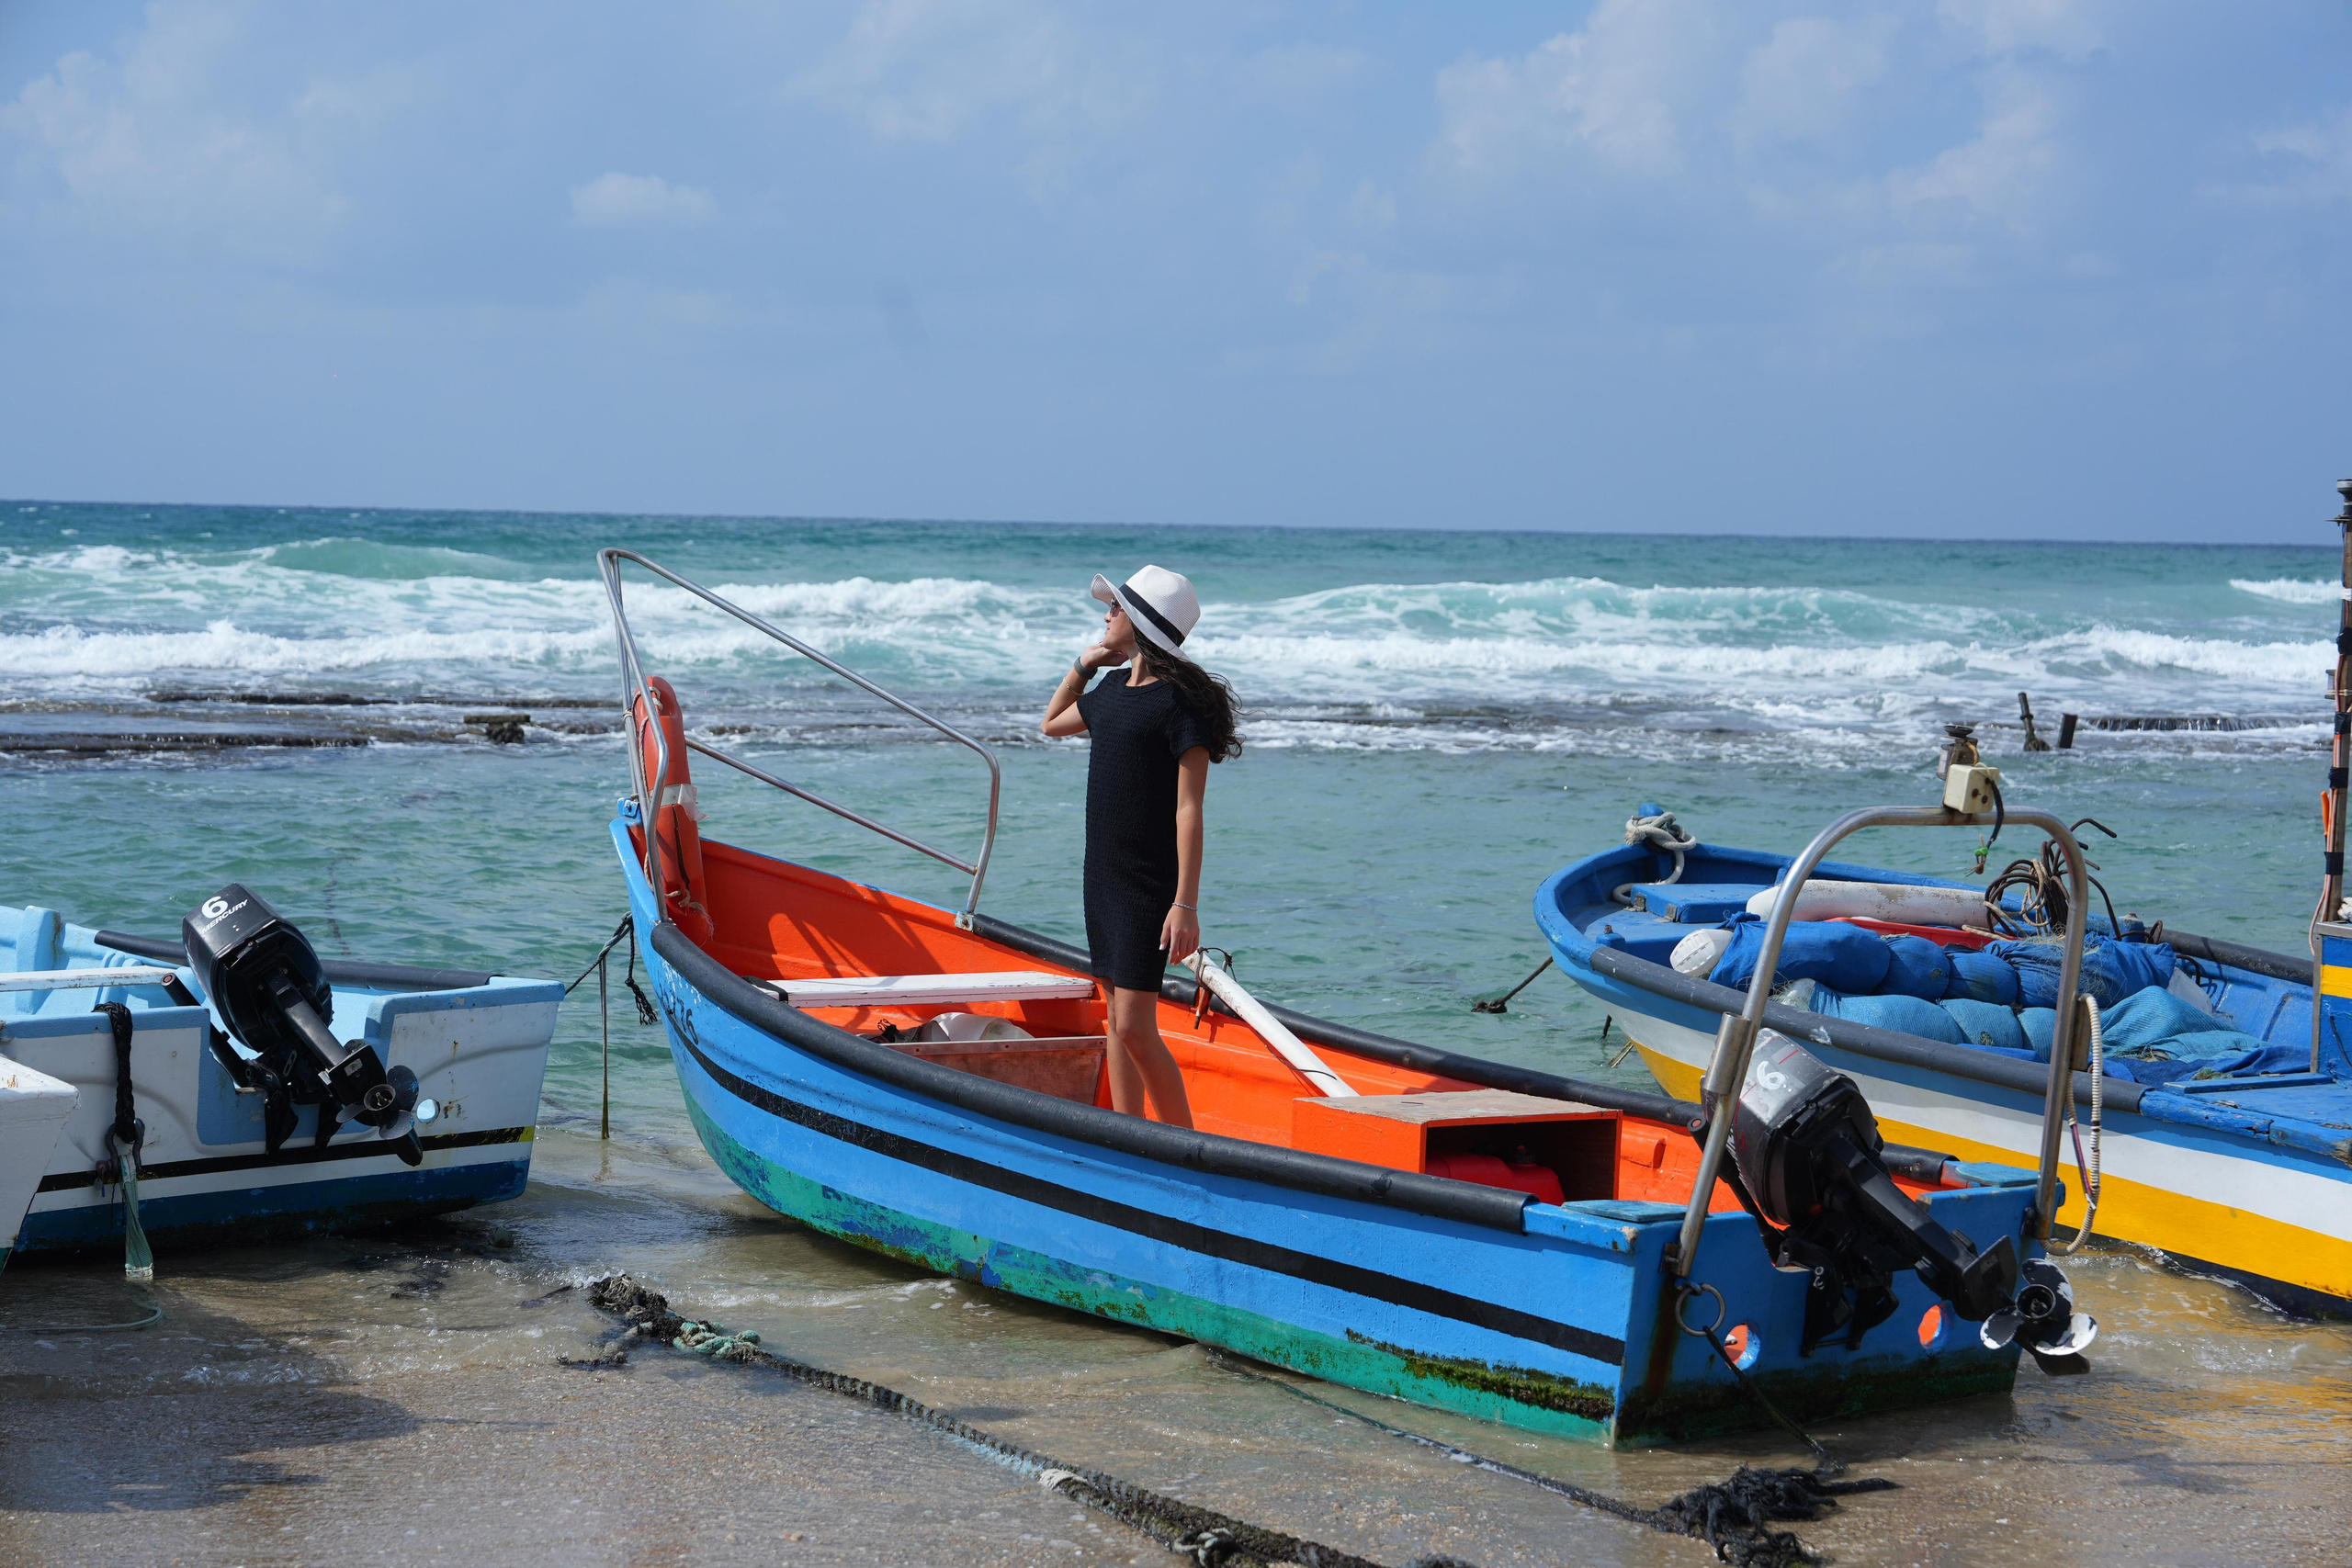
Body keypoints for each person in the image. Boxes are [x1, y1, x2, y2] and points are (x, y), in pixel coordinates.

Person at [1040, 565, 1241, 1128]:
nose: (1105, 615)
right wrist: (1083, 665)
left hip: (1148, 884)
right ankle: (1130, 1135)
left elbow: (1190, 809)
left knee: (1133, 1025)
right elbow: (1051, 723)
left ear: (1142, 623)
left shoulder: (1179, 706)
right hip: (1101, 874)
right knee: (1114, 1019)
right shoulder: (1109, 693)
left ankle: (1184, 1145)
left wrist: (1186, 903)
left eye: (1115, 608)